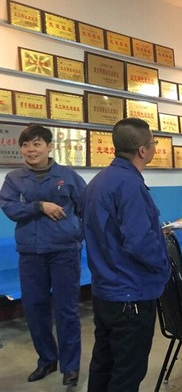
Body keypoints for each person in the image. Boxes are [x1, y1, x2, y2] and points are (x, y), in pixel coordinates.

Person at [82, 118, 170, 392]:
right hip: (130, 296)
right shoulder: (130, 185)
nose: (154, 147)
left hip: (105, 292)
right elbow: (139, 242)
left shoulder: (98, 181)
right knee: (127, 375)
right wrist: (163, 266)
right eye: (153, 142)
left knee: (103, 365)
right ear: (143, 150)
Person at [0, 124, 85, 387]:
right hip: (31, 253)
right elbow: (9, 208)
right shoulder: (14, 178)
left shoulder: (68, 176)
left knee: (66, 310)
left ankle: (70, 366)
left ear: (49, 146)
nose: (30, 149)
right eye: (25, 145)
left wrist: (75, 234)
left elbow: (85, 207)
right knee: (34, 309)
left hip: (64, 252)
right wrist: (39, 206)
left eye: (36, 143)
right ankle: (47, 359)